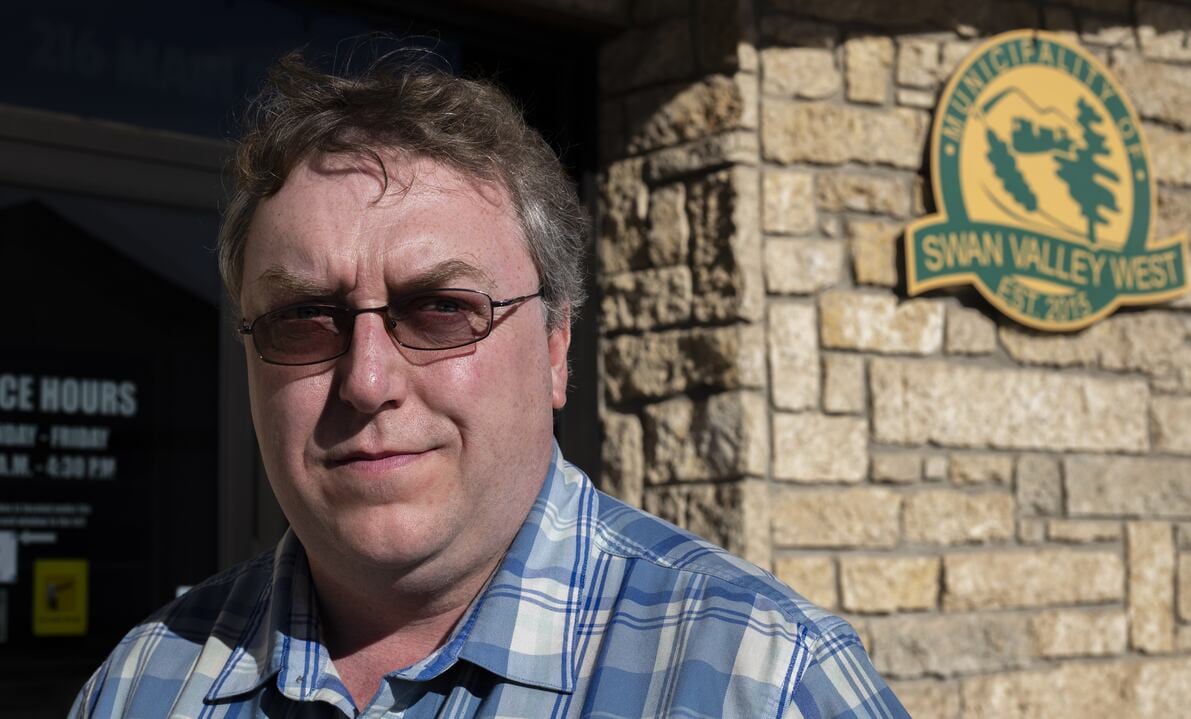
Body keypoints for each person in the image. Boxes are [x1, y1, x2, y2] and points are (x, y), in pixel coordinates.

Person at [71, 48, 908, 718]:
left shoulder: (762, 680)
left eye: (440, 307)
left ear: (553, 346)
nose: (366, 380)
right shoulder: (145, 684)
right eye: (306, 318)